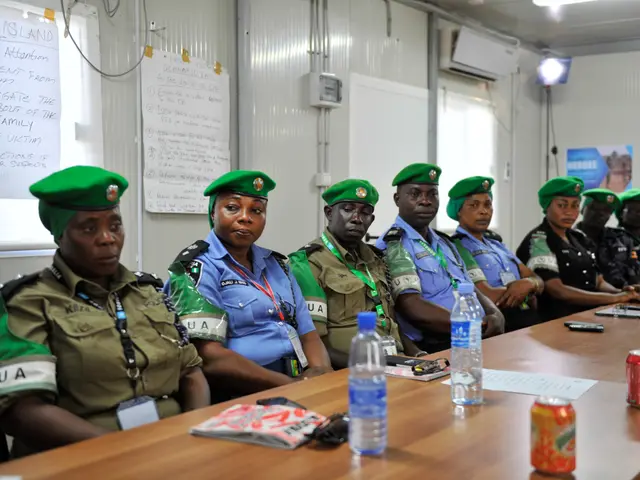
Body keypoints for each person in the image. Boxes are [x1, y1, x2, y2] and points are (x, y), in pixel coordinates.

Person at [0, 166, 209, 458]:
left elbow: (191, 371)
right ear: (60, 234)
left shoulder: (146, 290)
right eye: (89, 228)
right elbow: (23, 410)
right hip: (85, 454)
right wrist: (123, 450)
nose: (107, 238)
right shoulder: (28, 301)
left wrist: (194, 429)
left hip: (173, 442)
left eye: (115, 225)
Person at [167, 170, 332, 401]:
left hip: (297, 380)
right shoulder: (195, 269)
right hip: (240, 390)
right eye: (232, 208)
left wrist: (324, 379)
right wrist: (290, 387)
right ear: (213, 212)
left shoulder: (279, 266)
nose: (246, 217)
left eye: (257, 210)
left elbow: (309, 335)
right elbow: (209, 356)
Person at [289, 179, 426, 369]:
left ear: (372, 219)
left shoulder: (377, 259)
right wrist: (370, 368)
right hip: (352, 371)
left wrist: (418, 355)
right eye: (347, 209)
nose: (357, 218)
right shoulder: (308, 263)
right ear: (329, 213)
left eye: (365, 212)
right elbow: (314, 342)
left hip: (395, 363)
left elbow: (389, 322)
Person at [375, 163, 505, 353]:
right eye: (415, 194)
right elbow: (411, 306)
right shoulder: (394, 244)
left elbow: (470, 287)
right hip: (438, 344)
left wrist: (495, 313)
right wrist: (468, 326)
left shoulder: (444, 242)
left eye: (432, 194)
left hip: (475, 336)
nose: (425, 201)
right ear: (397, 199)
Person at [516, 176, 639, 321]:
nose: (569, 212)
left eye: (574, 205)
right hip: (556, 321)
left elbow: (598, 281)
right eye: (562, 205)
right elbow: (558, 291)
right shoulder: (539, 241)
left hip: (591, 316)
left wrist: (622, 292)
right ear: (547, 206)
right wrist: (614, 298)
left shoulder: (579, 238)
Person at [447, 176, 544, 332]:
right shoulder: (457, 246)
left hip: (528, 323)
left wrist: (530, 284)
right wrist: (527, 293)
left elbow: (536, 278)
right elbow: (486, 294)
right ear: (458, 211)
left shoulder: (498, 245)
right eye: (474, 205)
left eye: (488, 204)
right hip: (500, 325)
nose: (483, 211)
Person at [575, 188, 640, 289]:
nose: (600, 214)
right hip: (584, 299)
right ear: (582, 210)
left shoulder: (622, 239)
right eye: (593, 208)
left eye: (606, 210)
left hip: (624, 297)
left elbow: (633, 273)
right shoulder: (569, 239)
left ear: (610, 215)